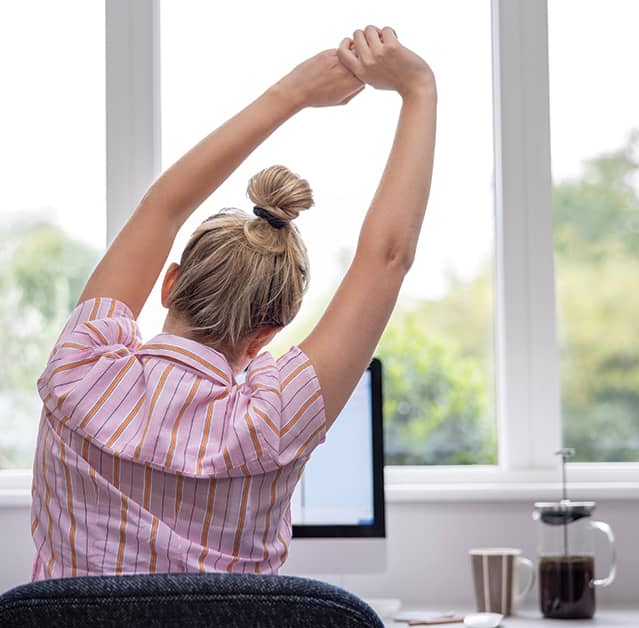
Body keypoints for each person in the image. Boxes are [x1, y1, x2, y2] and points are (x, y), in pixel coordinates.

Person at [31, 26, 436, 580]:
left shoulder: (80, 368)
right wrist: (419, 89)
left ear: (169, 282)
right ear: (267, 333)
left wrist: (293, 93)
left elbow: (162, 209)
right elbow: (387, 259)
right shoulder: (273, 418)